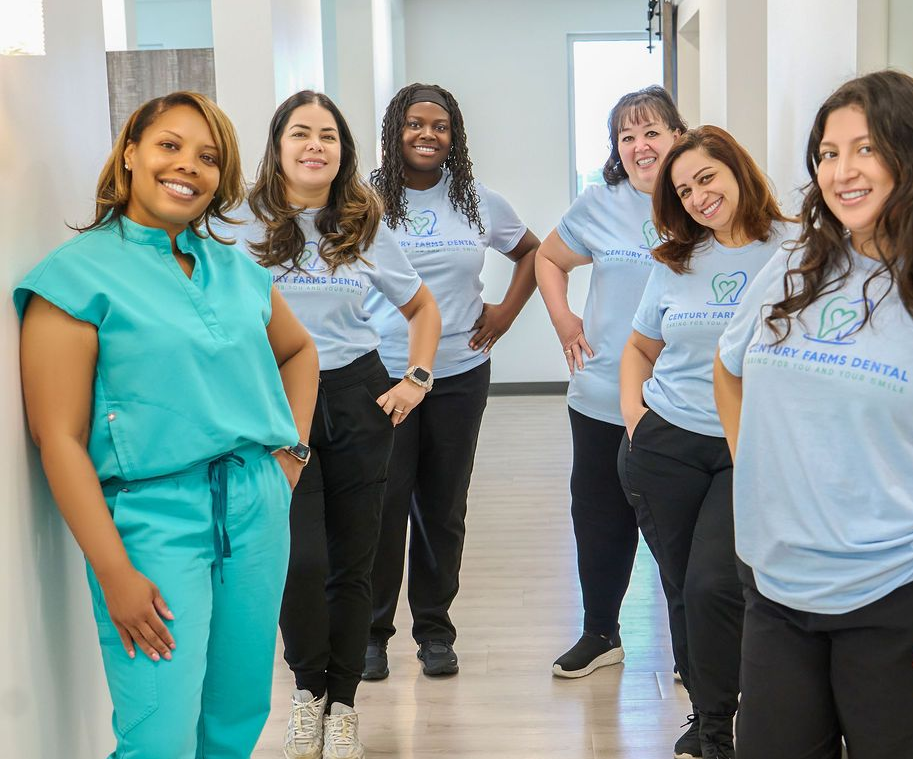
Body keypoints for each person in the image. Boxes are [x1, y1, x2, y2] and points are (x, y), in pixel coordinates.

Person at [714, 70, 913, 759]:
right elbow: (728, 368)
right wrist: (759, 471)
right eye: (827, 153)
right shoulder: (794, 264)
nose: (842, 171)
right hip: (778, 585)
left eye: (865, 149)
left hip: (905, 592)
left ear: (912, 158)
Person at [15, 92, 319, 759]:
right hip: (152, 517)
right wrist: (114, 571)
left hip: (256, 503)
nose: (189, 166)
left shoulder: (234, 266)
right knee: (158, 734)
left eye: (209, 157)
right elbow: (57, 438)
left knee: (237, 714)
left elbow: (299, 353)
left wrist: (290, 455)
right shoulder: (74, 277)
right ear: (130, 155)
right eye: (170, 145)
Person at [234, 91, 441, 759]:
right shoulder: (240, 221)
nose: (314, 144)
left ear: (343, 150)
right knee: (300, 557)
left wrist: (416, 378)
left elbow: (422, 307)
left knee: (354, 560)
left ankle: (344, 703)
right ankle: (307, 692)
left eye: (327, 134)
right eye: (301, 133)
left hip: (356, 396)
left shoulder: (361, 222)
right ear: (279, 145)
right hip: (274, 402)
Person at [619, 125, 794, 759]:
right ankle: (711, 722)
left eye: (706, 179)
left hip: (747, 447)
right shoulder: (675, 260)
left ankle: (734, 709)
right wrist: (634, 419)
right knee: (680, 588)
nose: (697, 197)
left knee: (715, 585)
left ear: (739, 170)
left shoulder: (798, 246)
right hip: (667, 442)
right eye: (684, 190)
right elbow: (639, 347)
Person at [363, 83, 540, 678]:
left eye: (439, 125)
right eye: (415, 123)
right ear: (396, 131)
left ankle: (435, 630)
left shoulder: (477, 202)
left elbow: (533, 254)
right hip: (383, 372)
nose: (428, 134)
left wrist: (504, 314)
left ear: (454, 136)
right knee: (383, 505)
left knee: (442, 505)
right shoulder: (364, 200)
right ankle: (371, 634)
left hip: (459, 374)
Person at [535, 86, 685, 678]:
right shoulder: (600, 203)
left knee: (677, 529)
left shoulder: (700, 196)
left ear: (677, 134)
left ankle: (691, 651)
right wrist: (565, 320)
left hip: (680, 403)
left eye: (651, 132)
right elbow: (548, 259)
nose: (640, 146)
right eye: (627, 137)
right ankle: (601, 634)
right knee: (599, 519)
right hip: (600, 395)